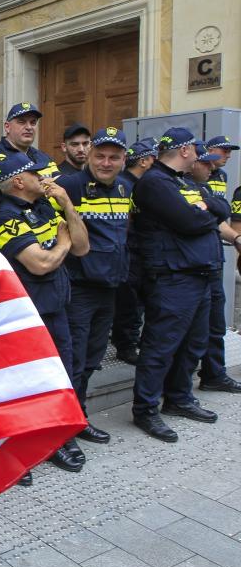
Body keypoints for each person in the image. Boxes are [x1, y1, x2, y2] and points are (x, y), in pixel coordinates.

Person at [0, 151, 89, 477]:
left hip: (58, 305)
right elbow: (40, 263)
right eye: (37, 173)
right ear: (19, 181)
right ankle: (29, 444)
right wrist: (61, 243)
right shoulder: (3, 216)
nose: (46, 178)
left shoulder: (44, 206)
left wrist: (68, 205)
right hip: (27, 314)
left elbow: (82, 246)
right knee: (28, 382)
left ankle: (58, 437)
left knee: (63, 374)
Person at [130, 127, 224, 443]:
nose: (200, 157)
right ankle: (145, 410)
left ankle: (179, 398)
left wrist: (206, 209)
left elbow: (219, 207)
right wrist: (204, 213)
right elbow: (189, 222)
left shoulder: (183, 182)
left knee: (194, 344)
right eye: (196, 151)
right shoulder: (154, 182)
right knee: (161, 346)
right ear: (184, 151)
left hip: (197, 275)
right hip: (173, 277)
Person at [56, 127, 131, 466]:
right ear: (90, 155)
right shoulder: (70, 185)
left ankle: (80, 418)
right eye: (100, 155)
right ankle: (60, 435)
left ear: (123, 160)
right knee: (70, 363)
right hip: (79, 289)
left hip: (110, 288)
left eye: (114, 157)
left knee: (90, 361)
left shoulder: (125, 185)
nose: (105, 161)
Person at [185, 143, 241, 394]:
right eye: (205, 162)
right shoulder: (179, 188)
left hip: (213, 263)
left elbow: (220, 219)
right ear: (192, 162)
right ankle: (176, 392)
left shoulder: (206, 186)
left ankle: (213, 374)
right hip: (189, 270)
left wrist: (237, 239)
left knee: (215, 325)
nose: (210, 167)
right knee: (189, 334)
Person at [111, 138, 157, 364]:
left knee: (139, 301)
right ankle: (126, 345)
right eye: (153, 158)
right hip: (127, 251)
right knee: (128, 302)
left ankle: (132, 341)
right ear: (144, 161)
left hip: (142, 251)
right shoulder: (122, 183)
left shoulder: (143, 183)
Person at [0, 102, 59, 228]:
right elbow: (13, 185)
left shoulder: (43, 157)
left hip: (44, 226)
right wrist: (46, 185)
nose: (29, 127)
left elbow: (60, 185)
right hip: (7, 228)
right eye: (21, 122)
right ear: (7, 127)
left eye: (33, 122)